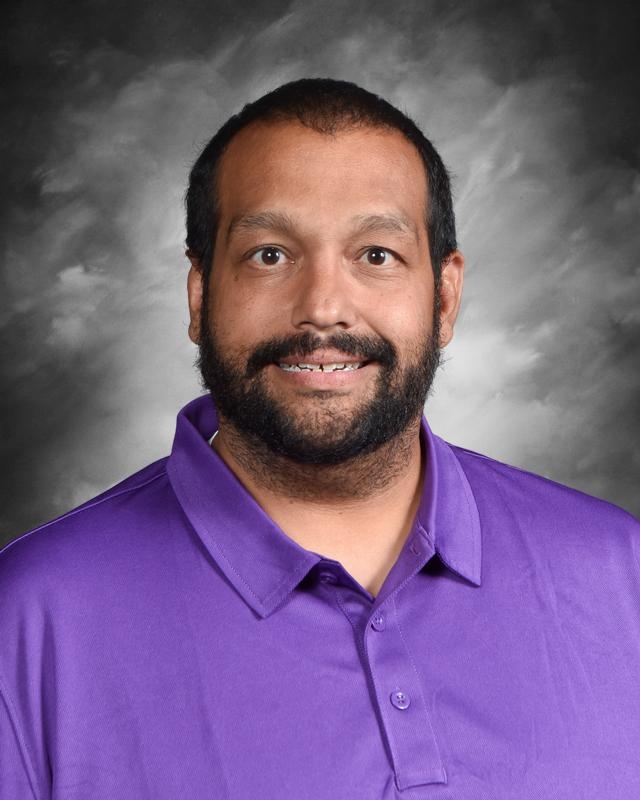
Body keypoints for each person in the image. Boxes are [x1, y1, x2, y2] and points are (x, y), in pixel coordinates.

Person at [1, 78, 638, 800]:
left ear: (444, 297)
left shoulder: (621, 573)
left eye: (376, 255)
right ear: (200, 295)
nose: (324, 308)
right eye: (270, 255)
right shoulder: (29, 620)